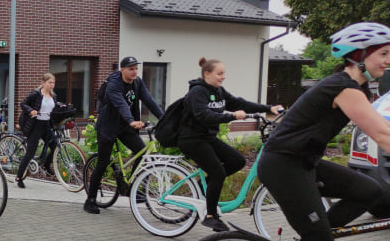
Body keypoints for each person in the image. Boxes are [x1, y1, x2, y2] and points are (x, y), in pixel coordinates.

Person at [258, 22, 390, 241]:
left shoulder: (353, 88)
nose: (388, 61)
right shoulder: (344, 88)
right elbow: (382, 135)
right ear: (358, 56)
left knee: (371, 191)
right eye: (384, 54)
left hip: (305, 161)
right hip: (283, 165)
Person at [177, 57, 280, 231]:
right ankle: (210, 216)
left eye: (224, 73)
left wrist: (268, 108)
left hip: (207, 137)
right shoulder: (197, 92)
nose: (223, 77)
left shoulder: (219, 91)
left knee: (237, 161)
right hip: (191, 139)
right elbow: (203, 115)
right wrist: (231, 116)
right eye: (220, 73)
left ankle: (207, 187)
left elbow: (239, 103)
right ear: (207, 74)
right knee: (217, 172)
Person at [84, 56, 164, 214]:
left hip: (125, 127)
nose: (134, 72)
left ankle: (130, 187)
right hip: (108, 126)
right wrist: (131, 120)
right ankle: (90, 200)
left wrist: (164, 118)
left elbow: (149, 101)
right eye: (130, 69)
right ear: (122, 70)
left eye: (136, 68)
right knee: (103, 162)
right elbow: (120, 103)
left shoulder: (138, 82)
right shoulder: (114, 84)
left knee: (142, 151)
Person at [15, 73, 58, 187]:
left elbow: (54, 108)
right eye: (50, 82)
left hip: (46, 125)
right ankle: (19, 177)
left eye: (53, 83)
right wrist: (31, 110)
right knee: (30, 152)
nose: (52, 85)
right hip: (35, 125)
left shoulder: (53, 96)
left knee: (55, 146)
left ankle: (47, 165)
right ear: (43, 83)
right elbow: (23, 103)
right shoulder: (36, 94)